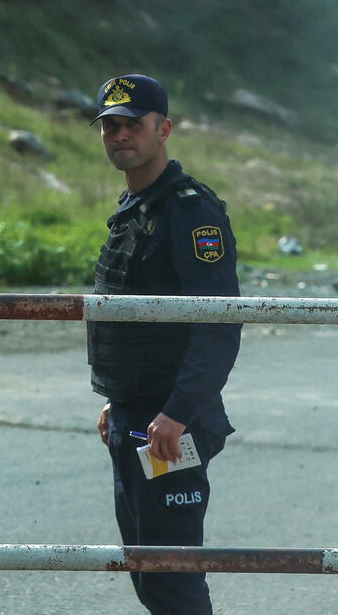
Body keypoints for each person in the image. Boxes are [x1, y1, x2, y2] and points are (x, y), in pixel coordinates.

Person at [88, 74, 241, 615]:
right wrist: (117, 397)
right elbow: (138, 314)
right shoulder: (137, 206)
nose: (121, 135)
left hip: (171, 428)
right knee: (146, 568)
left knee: (171, 575)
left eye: (134, 124)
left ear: (164, 130)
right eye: (111, 126)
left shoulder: (190, 211)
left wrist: (176, 413)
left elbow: (219, 326)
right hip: (136, 415)